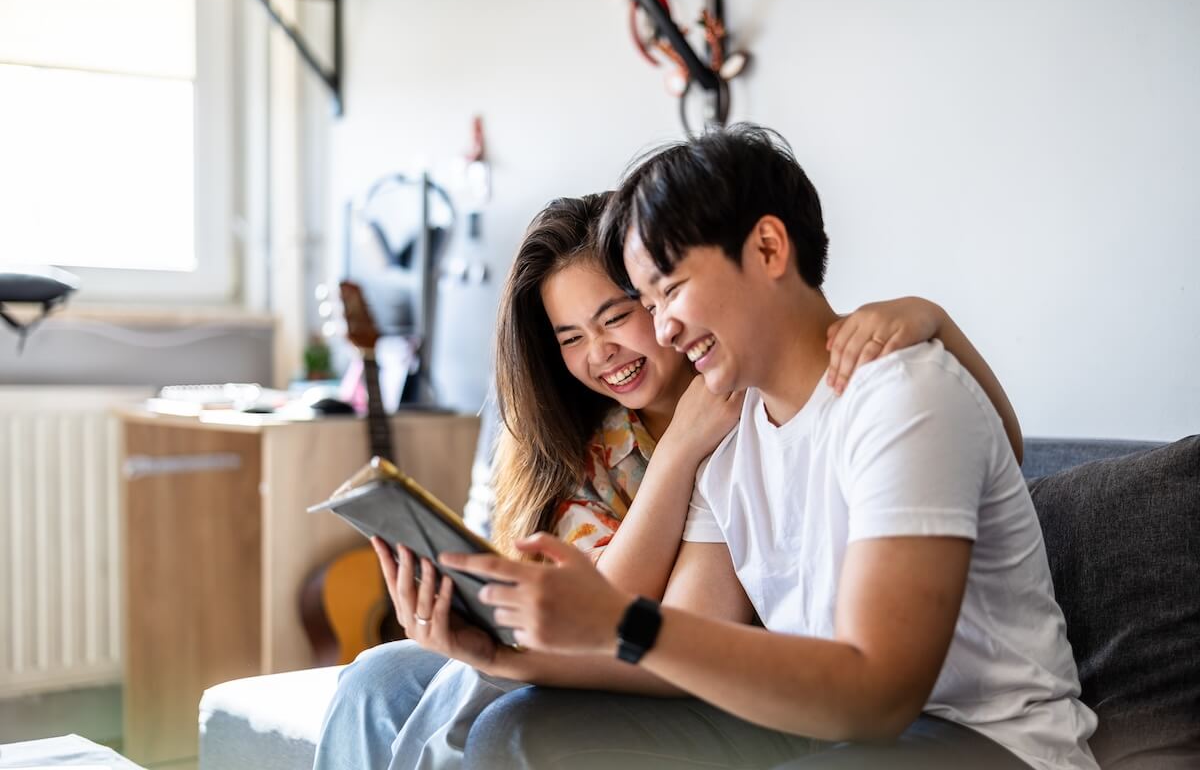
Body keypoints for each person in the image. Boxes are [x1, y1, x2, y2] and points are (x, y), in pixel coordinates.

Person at [439, 126, 1098, 770]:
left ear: (768, 248)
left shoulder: (902, 396)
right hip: (820, 731)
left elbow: (882, 697)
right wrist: (504, 658)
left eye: (668, 290)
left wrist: (621, 619)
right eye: (645, 301)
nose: (662, 327)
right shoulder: (726, 432)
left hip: (982, 740)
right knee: (517, 733)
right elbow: (687, 642)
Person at [314, 190, 1027, 769]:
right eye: (570, 339)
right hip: (639, 656)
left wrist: (935, 321)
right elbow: (588, 618)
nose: (602, 353)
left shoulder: (761, 405)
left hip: (708, 673)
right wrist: (484, 635)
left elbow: (989, 447)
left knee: (489, 704)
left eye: (620, 315)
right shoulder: (596, 445)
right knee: (377, 680)